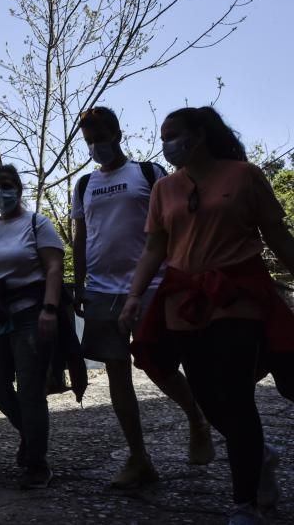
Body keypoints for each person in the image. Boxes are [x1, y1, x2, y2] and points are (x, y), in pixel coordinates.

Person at [124, 106, 294, 525]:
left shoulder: (244, 175)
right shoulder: (165, 189)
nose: (166, 143)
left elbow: (275, 234)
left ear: (199, 135)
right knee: (208, 400)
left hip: (238, 298)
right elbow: (153, 250)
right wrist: (133, 297)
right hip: (184, 303)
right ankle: (260, 457)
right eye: (162, 136)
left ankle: (244, 505)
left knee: (236, 397)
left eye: (173, 134)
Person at [72, 107, 213, 489]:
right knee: (117, 373)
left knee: (160, 365)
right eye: (89, 140)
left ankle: (196, 417)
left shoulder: (149, 174)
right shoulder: (84, 185)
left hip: (152, 286)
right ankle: (139, 458)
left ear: (118, 133)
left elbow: (178, 224)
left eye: (101, 136)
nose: (96, 145)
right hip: (102, 290)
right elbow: (83, 237)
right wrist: (78, 283)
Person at [0, 164, 65, 489]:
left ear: (18, 188)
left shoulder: (37, 224)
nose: (1, 192)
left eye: (6, 185)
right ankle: (30, 434)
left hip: (29, 314)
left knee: (31, 392)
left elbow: (54, 267)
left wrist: (50, 308)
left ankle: (37, 464)